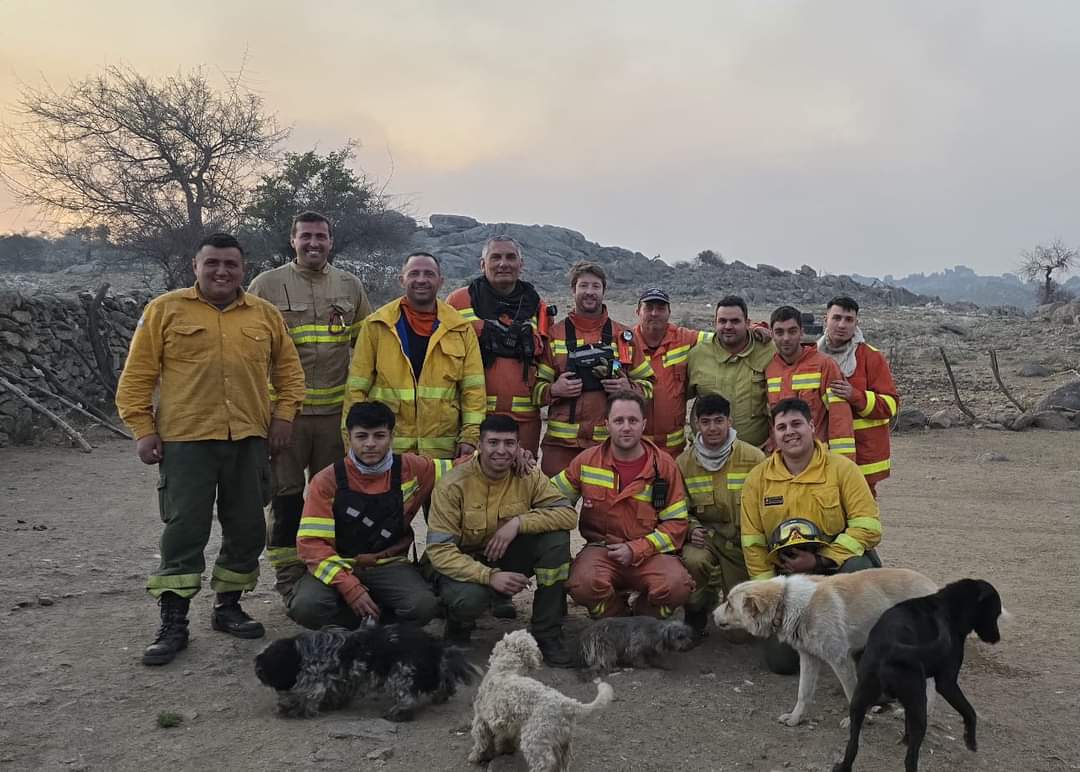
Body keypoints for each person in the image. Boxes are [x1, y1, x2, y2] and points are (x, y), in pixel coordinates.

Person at [116, 232, 306, 666]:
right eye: (212, 264)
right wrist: (143, 429)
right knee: (185, 530)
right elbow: (137, 377)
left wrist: (283, 418)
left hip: (248, 441)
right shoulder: (165, 310)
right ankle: (173, 619)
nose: (222, 272)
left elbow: (290, 374)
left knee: (247, 529)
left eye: (231, 265)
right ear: (195, 267)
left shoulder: (264, 315)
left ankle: (228, 606)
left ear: (244, 269)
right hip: (186, 441)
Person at [247, 211, 373, 600]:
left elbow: (367, 347)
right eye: (306, 236)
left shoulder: (350, 287)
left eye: (321, 236)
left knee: (333, 500)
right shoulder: (266, 286)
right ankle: (287, 578)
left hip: (335, 418)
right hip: (286, 418)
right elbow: (249, 351)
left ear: (331, 242)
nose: (313, 243)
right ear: (292, 239)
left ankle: (331, 573)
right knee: (286, 499)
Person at [740, 397, 882, 673]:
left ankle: (866, 647)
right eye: (782, 427)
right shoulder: (757, 479)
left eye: (797, 424)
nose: (790, 432)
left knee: (859, 566)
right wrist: (768, 595)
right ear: (774, 434)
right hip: (788, 580)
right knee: (781, 664)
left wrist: (821, 561)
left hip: (837, 571)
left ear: (812, 426)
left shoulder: (842, 469)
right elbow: (753, 543)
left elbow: (868, 526)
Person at [425, 415, 578, 666]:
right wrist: (490, 575)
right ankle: (458, 627)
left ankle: (546, 632)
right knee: (468, 599)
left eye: (509, 443)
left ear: (519, 447)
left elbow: (567, 514)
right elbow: (440, 551)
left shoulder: (527, 475)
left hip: (503, 553)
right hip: (461, 564)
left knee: (555, 539)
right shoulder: (453, 484)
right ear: (480, 445)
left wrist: (518, 523)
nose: (501, 451)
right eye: (493, 442)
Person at [286, 401, 448, 630]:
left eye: (379, 436)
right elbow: (312, 545)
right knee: (306, 607)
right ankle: (354, 626)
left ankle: (380, 629)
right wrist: (350, 586)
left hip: (389, 564)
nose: (370, 444)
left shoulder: (412, 467)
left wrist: (505, 455)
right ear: (348, 437)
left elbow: (462, 468)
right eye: (362, 436)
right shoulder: (326, 480)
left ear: (392, 436)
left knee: (423, 606)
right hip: (338, 563)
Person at [555, 390, 693, 619]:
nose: (626, 427)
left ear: (643, 424)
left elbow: (677, 524)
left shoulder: (665, 466)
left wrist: (636, 549)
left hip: (650, 553)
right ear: (607, 424)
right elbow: (551, 498)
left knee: (678, 586)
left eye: (633, 420)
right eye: (619, 420)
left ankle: (644, 619)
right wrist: (521, 466)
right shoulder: (586, 461)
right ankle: (616, 616)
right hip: (602, 550)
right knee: (581, 583)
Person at [343, 252, 486, 460]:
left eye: (429, 274)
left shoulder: (460, 328)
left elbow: (473, 390)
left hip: (444, 451)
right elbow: (356, 389)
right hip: (387, 449)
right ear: (402, 280)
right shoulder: (377, 325)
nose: (421, 280)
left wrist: (470, 437)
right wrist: (354, 441)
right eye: (414, 273)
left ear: (440, 281)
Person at [534, 262, 654, 476]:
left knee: (605, 509)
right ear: (573, 290)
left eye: (596, 287)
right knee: (554, 507)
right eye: (583, 286)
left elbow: (649, 387)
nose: (589, 292)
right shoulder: (554, 335)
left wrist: (627, 388)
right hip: (561, 446)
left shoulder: (623, 336)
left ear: (603, 291)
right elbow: (534, 391)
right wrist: (554, 390)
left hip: (609, 445)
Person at [446, 235, 553, 456]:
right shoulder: (458, 302)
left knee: (522, 484)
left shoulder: (538, 306)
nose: (503, 263)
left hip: (524, 422)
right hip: (473, 419)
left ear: (521, 265)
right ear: (482, 264)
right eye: (495, 257)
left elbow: (546, 360)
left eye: (510, 257)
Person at [676, 394, 765, 637]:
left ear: (730, 421)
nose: (712, 428)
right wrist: (692, 528)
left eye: (719, 420)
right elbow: (679, 508)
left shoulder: (754, 458)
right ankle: (696, 611)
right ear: (696, 424)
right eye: (705, 422)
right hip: (708, 540)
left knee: (740, 636)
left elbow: (767, 506)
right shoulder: (683, 463)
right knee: (693, 560)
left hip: (741, 543)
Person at [817, 296, 900, 496]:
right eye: (836, 318)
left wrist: (855, 396)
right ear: (825, 319)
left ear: (857, 323)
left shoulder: (871, 357)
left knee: (862, 520)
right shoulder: (811, 355)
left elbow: (891, 405)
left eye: (848, 319)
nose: (842, 324)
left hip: (862, 459)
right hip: (820, 455)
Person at [687, 295, 776, 448]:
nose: (728, 326)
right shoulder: (697, 355)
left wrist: (776, 436)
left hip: (756, 454)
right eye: (722, 321)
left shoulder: (769, 352)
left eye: (735, 321)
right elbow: (676, 397)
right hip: (706, 454)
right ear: (714, 323)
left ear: (747, 323)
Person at [766, 305, 855, 457]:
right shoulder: (769, 369)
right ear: (772, 335)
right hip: (782, 461)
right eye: (779, 332)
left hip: (816, 459)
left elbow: (840, 418)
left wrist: (843, 465)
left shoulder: (824, 365)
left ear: (802, 332)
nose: (786, 338)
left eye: (792, 331)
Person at [632, 287, 711, 456]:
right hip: (634, 445)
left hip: (673, 449)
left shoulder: (684, 338)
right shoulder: (625, 341)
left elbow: (723, 338)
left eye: (661, 308)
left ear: (669, 312)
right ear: (638, 311)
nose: (654, 313)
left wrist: (757, 327)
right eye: (649, 308)